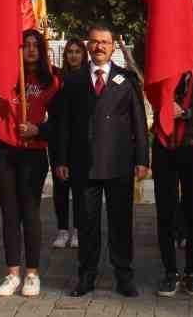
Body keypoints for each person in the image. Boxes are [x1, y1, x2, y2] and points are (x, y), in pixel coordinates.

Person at [50, 23, 149, 297]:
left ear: (113, 46)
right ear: (88, 45)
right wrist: (60, 159)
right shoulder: (73, 81)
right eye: (94, 42)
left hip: (119, 164)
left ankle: (124, 275)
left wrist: (142, 158)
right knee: (88, 224)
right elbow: (63, 126)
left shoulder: (127, 79)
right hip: (84, 166)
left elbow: (139, 123)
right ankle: (86, 275)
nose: (99, 47)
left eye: (105, 42)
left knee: (121, 223)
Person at [0, 29, 60, 298]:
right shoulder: (8, 76)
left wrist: (38, 130)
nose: (30, 50)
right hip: (4, 150)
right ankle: (12, 273)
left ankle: (32, 274)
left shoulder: (52, 81)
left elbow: (59, 123)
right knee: (9, 214)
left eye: (35, 45)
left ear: (42, 50)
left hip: (33, 152)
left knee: (30, 213)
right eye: (26, 45)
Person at [151, 43, 193, 297]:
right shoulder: (160, 72)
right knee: (165, 210)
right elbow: (152, 96)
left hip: (191, 147)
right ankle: (170, 272)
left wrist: (184, 112)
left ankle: (192, 272)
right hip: (163, 146)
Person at [50, 38, 88, 251]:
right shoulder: (58, 78)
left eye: (78, 52)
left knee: (80, 189)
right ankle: (63, 230)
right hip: (58, 141)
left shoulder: (88, 78)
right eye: (70, 52)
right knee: (61, 187)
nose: (74, 55)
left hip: (81, 142)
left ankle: (79, 230)